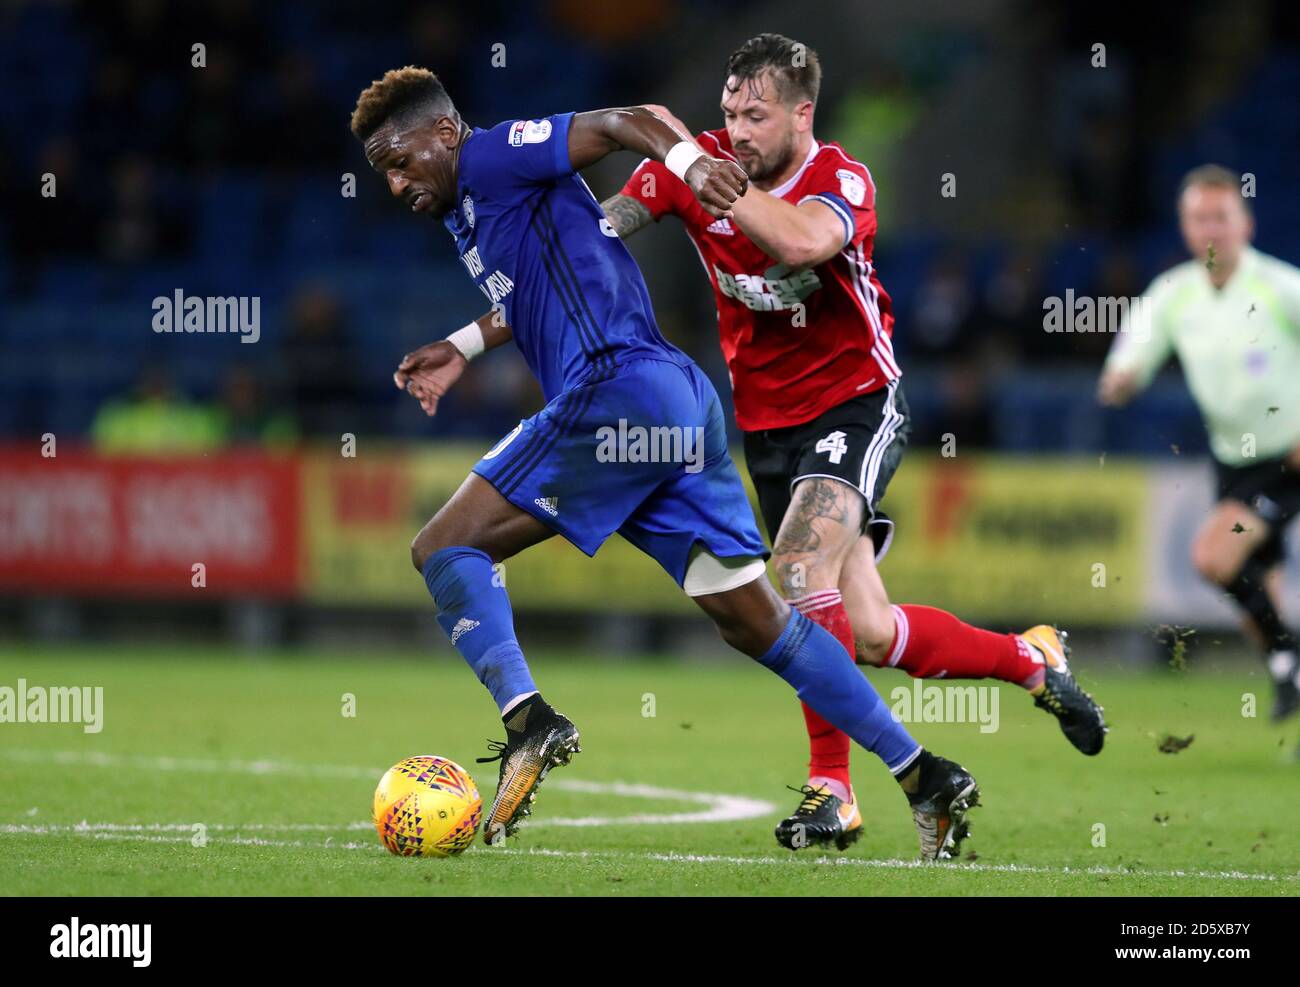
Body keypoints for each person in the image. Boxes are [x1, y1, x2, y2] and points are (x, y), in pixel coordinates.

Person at [437, 34, 1107, 853]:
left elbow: (797, 244)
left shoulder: (840, 180)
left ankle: (835, 792)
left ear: (801, 114)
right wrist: (470, 341)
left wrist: (702, 178)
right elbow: (577, 259)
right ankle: (1030, 659)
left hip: (855, 402)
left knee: (795, 572)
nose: (737, 131)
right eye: (726, 114)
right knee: (864, 630)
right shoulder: (699, 163)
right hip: (763, 422)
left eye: (755, 116)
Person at [354, 66, 979, 858]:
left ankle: (529, 722)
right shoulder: (471, 210)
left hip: (614, 391)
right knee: (758, 624)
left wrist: (689, 164)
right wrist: (462, 345)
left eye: (401, 160)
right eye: (383, 173)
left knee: (441, 547)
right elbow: (539, 287)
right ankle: (925, 772)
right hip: (675, 406)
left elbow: (631, 118)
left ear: (444, 133)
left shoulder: (493, 158)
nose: (396, 182)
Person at [1099, 164, 1300, 722]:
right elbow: (1133, 352)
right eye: (1197, 218)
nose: (1209, 228)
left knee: (1213, 555)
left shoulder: (1280, 287)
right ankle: (1289, 671)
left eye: (1220, 216)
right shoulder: (1175, 293)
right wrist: (1122, 378)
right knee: (1261, 590)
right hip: (1233, 459)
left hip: (1288, 458)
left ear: (1246, 224)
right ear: (1184, 227)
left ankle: (1289, 661)